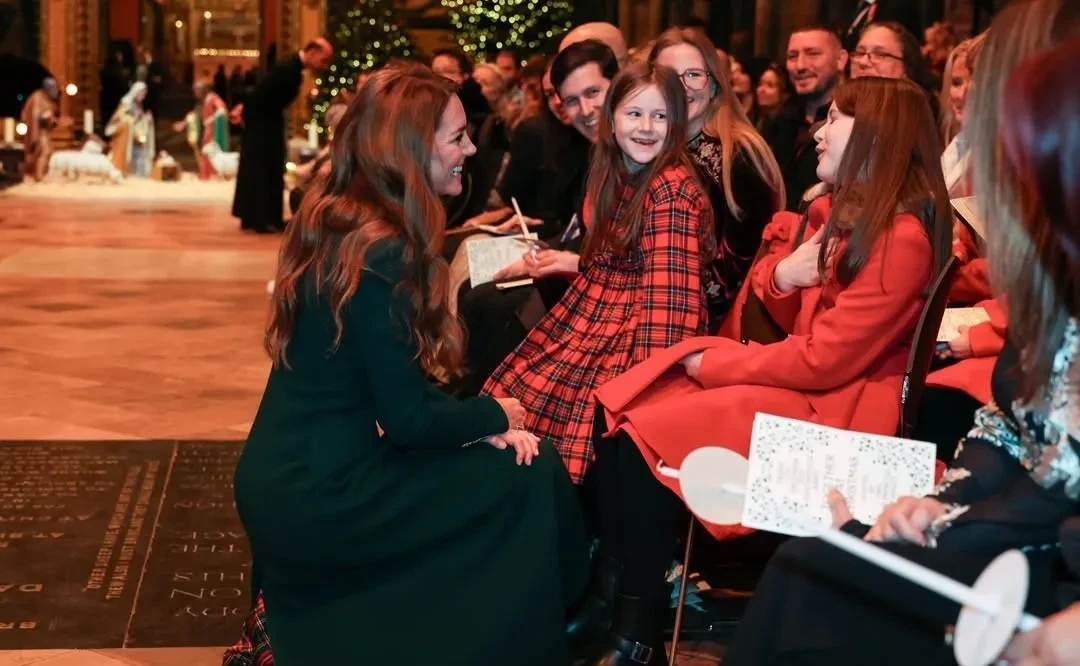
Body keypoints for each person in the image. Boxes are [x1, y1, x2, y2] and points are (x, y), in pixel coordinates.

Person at [723, 14, 1080, 664]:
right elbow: (1007, 428)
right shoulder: (1051, 266)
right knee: (808, 565)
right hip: (1018, 526)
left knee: (813, 571)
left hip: (1046, 553)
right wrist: (936, 504)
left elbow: (825, 356)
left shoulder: (901, 233)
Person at [586, 77, 952, 665]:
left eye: (834, 119)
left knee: (642, 432)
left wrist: (719, 365)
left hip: (840, 415)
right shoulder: (846, 216)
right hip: (816, 391)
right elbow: (790, 321)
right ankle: (625, 611)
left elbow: (823, 359)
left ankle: (635, 630)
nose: (819, 132)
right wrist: (785, 275)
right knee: (627, 409)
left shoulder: (902, 238)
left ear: (876, 137)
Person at [233, 63, 589, 666]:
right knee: (528, 472)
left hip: (291, 477)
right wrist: (496, 415)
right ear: (412, 149)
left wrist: (475, 426)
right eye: (457, 137)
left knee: (500, 465)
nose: (471, 150)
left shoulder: (341, 220)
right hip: (321, 494)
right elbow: (410, 422)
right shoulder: (384, 250)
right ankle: (550, 625)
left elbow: (398, 403)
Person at [482, 60, 715, 490]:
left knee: (554, 408)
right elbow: (611, 256)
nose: (646, 127)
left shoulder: (670, 192)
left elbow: (669, 310)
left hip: (634, 332)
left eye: (660, 116)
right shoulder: (622, 171)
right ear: (613, 118)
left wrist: (641, 398)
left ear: (678, 124)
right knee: (524, 386)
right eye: (634, 113)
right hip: (603, 309)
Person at [649, 27, 785, 330]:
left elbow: (739, 269)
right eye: (669, 76)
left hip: (711, 324)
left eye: (693, 75)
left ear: (713, 85)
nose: (681, 87)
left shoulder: (738, 153)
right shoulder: (655, 147)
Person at [232, 38, 332, 234]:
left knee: (262, 170)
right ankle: (262, 219)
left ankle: (260, 218)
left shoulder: (291, 69)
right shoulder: (288, 70)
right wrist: (246, 111)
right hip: (264, 128)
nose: (324, 66)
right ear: (312, 52)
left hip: (265, 125)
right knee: (262, 170)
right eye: (323, 60)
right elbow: (263, 95)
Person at [762, 26, 848, 211]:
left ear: (841, 59)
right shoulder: (778, 121)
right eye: (792, 56)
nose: (800, 66)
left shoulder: (853, 122)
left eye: (812, 54)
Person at [105, 82, 155, 178]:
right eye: (141, 94)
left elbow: (139, 120)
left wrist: (146, 119)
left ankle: (138, 175)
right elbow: (120, 119)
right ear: (136, 92)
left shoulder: (139, 105)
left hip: (136, 135)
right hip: (126, 137)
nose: (143, 97)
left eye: (144, 95)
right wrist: (134, 119)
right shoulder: (126, 103)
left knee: (140, 155)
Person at [19, 78, 59, 182]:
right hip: (37, 130)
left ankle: (40, 174)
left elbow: (51, 115)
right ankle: (38, 175)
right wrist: (43, 117)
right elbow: (33, 115)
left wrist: (52, 120)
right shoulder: (37, 97)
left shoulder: (49, 100)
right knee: (42, 151)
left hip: (45, 131)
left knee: (46, 152)